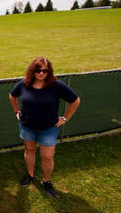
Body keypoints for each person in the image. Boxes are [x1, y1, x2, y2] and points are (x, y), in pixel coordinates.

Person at [8, 57, 80, 198]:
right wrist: (17, 111)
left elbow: (75, 100)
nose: (41, 73)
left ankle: (46, 181)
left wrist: (65, 118)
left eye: (45, 71)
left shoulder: (57, 85)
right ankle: (30, 175)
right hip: (27, 126)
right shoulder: (25, 83)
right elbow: (12, 95)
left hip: (48, 129)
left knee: (47, 157)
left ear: (49, 72)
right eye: (38, 70)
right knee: (29, 151)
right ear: (32, 70)